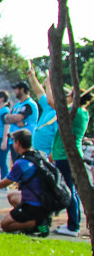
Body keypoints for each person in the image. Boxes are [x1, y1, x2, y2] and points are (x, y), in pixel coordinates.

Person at [0, 129, 52, 236]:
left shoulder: (21, 163)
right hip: (45, 201)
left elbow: (5, 183)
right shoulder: (39, 156)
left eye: (14, 141)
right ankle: (32, 221)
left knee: (6, 225)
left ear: (18, 143)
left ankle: (37, 223)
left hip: (34, 203)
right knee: (12, 196)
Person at [46, 84, 91, 237]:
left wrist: (47, 83)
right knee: (73, 191)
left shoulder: (74, 112)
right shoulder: (83, 113)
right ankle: (73, 224)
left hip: (65, 156)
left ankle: (73, 227)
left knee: (70, 191)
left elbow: (52, 102)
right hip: (70, 154)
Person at [3, 80, 39, 147]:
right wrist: (14, 119)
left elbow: (18, 117)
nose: (15, 92)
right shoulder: (17, 105)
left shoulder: (29, 104)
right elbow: (6, 118)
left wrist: (14, 118)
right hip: (14, 140)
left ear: (22, 90)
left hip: (24, 142)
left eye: (16, 89)